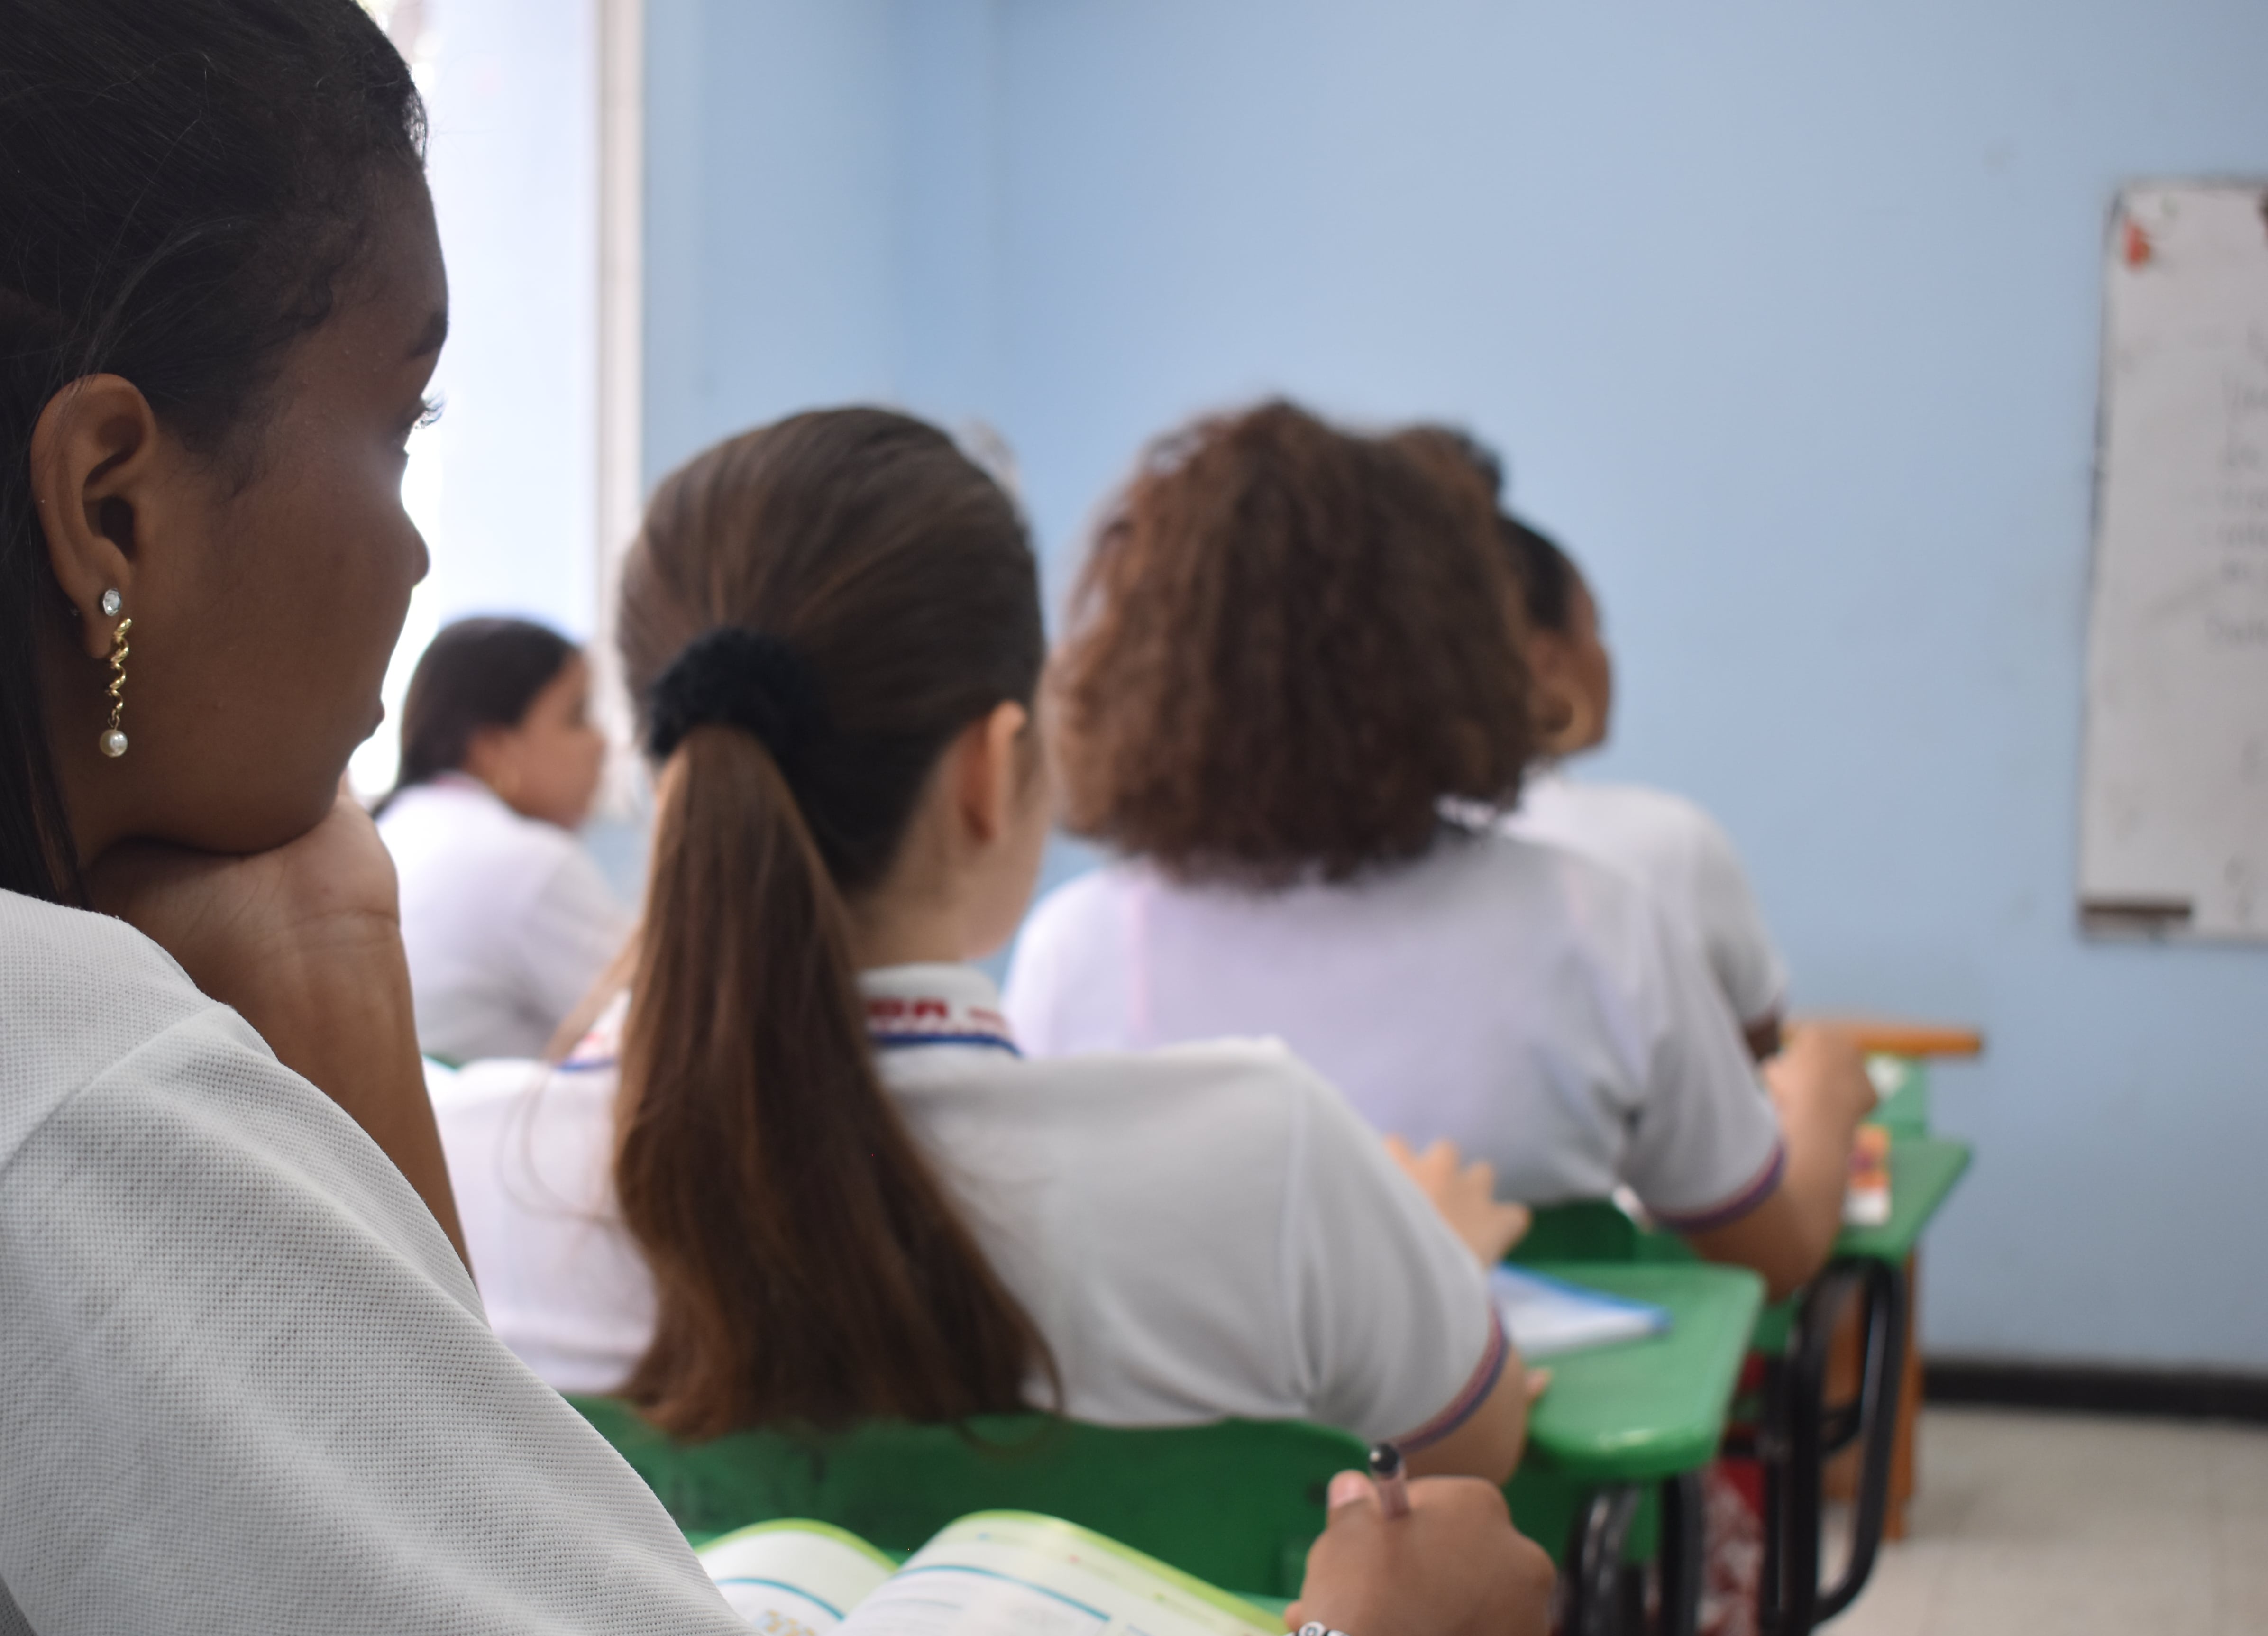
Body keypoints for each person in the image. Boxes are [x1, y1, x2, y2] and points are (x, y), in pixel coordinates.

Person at [0, 5, 1553, 1636]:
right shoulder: (24, 1093)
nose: (425, 545)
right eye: (403, 422)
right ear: (108, 505)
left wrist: (341, 960)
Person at [433, 407, 1536, 1479]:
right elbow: (1473, 1460)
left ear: (666, 760)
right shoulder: (1272, 1162)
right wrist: (1426, 1263)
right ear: (988, 767)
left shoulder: (460, 1178)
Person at [1006, 402, 1872, 1300]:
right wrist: (1822, 1107)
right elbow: (1771, 1258)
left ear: (1140, 662)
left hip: (1201, 1441)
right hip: (1518, 1431)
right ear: (1465, 646)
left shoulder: (1080, 950)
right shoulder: (1591, 922)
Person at [1493, 507, 1793, 1059]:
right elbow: (1756, 1055)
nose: (1605, 658)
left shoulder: (1343, 862)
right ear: (1547, 662)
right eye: (1595, 630)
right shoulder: (1667, 844)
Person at [374, 615, 628, 1062]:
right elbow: (677, 1035)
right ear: (493, 748)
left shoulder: (391, 828)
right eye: (577, 716)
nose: (602, 743)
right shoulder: (532, 866)